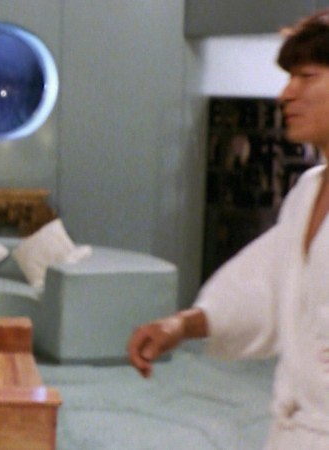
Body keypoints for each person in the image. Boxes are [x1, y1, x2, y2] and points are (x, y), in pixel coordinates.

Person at [127, 9, 329, 448]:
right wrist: (182, 325)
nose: (286, 94)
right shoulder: (307, 194)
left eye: (306, 77)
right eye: (288, 78)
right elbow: (266, 286)